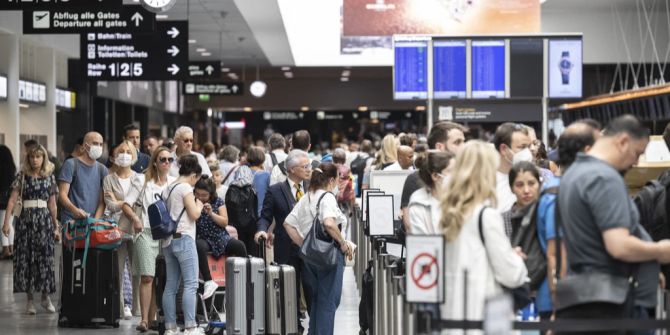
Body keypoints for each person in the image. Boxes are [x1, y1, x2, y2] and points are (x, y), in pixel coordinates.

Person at [556, 115, 670, 325]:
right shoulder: (604, 178)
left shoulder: (573, 174)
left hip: (586, 297)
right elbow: (619, 246)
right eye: (637, 153)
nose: (636, 162)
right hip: (609, 303)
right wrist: (660, 251)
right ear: (623, 141)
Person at [438, 141, 528, 327]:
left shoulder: (448, 213)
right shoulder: (486, 216)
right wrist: (515, 258)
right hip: (484, 317)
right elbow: (510, 274)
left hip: (454, 315)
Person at [535, 121, 600, 321]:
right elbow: (557, 253)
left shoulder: (554, 187)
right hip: (562, 299)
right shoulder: (561, 193)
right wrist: (558, 305)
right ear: (586, 151)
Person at [283, 163, 354, 335]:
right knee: (328, 302)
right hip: (329, 256)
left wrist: (304, 245)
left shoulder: (307, 196)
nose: (338, 182)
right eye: (338, 179)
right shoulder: (327, 197)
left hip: (309, 258)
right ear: (331, 180)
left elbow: (288, 223)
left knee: (316, 302)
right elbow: (329, 223)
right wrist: (343, 243)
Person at [255, 149, 312, 332]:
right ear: (292, 169)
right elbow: (265, 216)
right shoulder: (276, 190)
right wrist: (262, 231)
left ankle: (316, 324)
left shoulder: (312, 187)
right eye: (305, 167)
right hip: (286, 247)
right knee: (290, 289)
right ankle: (294, 325)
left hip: (310, 247)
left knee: (311, 287)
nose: (309, 169)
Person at [123, 147, 176, 332]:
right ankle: (144, 319)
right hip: (145, 230)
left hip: (167, 233)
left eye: (170, 159)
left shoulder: (173, 182)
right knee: (147, 276)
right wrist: (135, 219)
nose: (167, 163)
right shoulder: (142, 179)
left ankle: (154, 318)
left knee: (161, 277)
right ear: (154, 161)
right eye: (163, 159)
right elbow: (126, 204)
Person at [2, 144, 60, 315]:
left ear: (43, 158)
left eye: (38, 157)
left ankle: (45, 297)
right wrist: (6, 223)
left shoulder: (49, 177)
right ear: (28, 159)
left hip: (43, 221)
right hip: (25, 221)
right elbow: (12, 201)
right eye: (32, 157)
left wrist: (56, 226)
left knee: (45, 258)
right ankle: (29, 300)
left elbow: (53, 204)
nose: (35, 160)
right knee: (26, 259)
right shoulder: (22, 176)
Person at [162, 155, 204, 335]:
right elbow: (194, 214)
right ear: (194, 175)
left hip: (168, 241)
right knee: (191, 284)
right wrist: (199, 205)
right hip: (184, 238)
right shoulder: (186, 187)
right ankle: (190, 326)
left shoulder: (168, 187)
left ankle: (170, 328)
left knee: (171, 285)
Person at [401, 121, 467, 230]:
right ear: (439, 147)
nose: (463, 147)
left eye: (464, 142)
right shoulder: (416, 180)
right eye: (457, 142)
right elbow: (410, 226)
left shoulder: (468, 178)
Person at [102, 140, 140, 320]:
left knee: (137, 271)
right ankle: (118, 308)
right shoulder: (108, 179)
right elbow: (109, 205)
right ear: (115, 156)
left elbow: (139, 204)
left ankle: (137, 309)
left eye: (128, 151)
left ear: (133, 156)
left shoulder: (138, 178)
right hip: (116, 229)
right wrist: (122, 203)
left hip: (136, 230)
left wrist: (119, 202)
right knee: (117, 271)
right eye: (121, 151)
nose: (124, 154)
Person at [193, 177, 247, 300]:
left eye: (204, 195)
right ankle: (208, 281)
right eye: (198, 194)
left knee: (240, 246)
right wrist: (197, 207)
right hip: (203, 237)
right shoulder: (193, 202)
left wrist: (211, 213)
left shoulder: (218, 201)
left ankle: (243, 279)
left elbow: (224, 222)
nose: (200, 197)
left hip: (220, 236)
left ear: (211, 194)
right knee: (199, 246)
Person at [58, 131, 108, 223]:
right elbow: (62, 194)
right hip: (71, 222)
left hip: (92, 222)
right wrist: (74, 210)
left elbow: (102, 201)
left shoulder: (102, 169)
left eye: (101, 144)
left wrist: (95, 221)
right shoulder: (71, 164)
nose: (98, 147)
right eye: (95, 143)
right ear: (85, 145)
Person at [407, 151, 454, 234]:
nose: (457, 174)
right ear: (436, 176)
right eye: (451, 171)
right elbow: (422, 242)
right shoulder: (419, 203)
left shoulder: (461, 199)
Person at [493, 123, 532, 213]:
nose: (528, 152)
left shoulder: (534, 178)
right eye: (522, 147)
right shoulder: (486, 183)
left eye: (528, 147)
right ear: (503, 149)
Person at [501, 162, 541, 239]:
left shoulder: (547, 217)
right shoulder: (502, 221)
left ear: (539, 184)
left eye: (531, 183)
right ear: (511, 188)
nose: (526, 191)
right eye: (519, 185)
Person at [0, 145, 17, 259]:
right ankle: (12, 248)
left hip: (2, 202)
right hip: (11, 201)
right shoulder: (12, 170)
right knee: (9, 224)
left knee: (2, 224)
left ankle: (6, 250)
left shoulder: (1, 171)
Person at [247, 146, 271, 217]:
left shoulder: (242, 172)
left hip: (244, 214)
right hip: (260, 213)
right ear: (262, 159)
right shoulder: (266, 175)